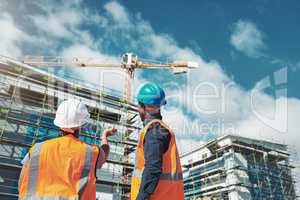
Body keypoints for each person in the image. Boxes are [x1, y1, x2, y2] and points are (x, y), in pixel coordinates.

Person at [18, 99, 117, 200]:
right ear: (81, 126)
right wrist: (105, 135)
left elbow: (22, 179)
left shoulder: (37, 149)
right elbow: (104, 152)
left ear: (59, 123)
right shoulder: (91, 152)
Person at [130, 82, 184, 200]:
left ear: (145, 106)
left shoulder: (155, 131)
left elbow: (153, 168)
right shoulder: (161, 129)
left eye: (139, 105)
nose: (138, 109)